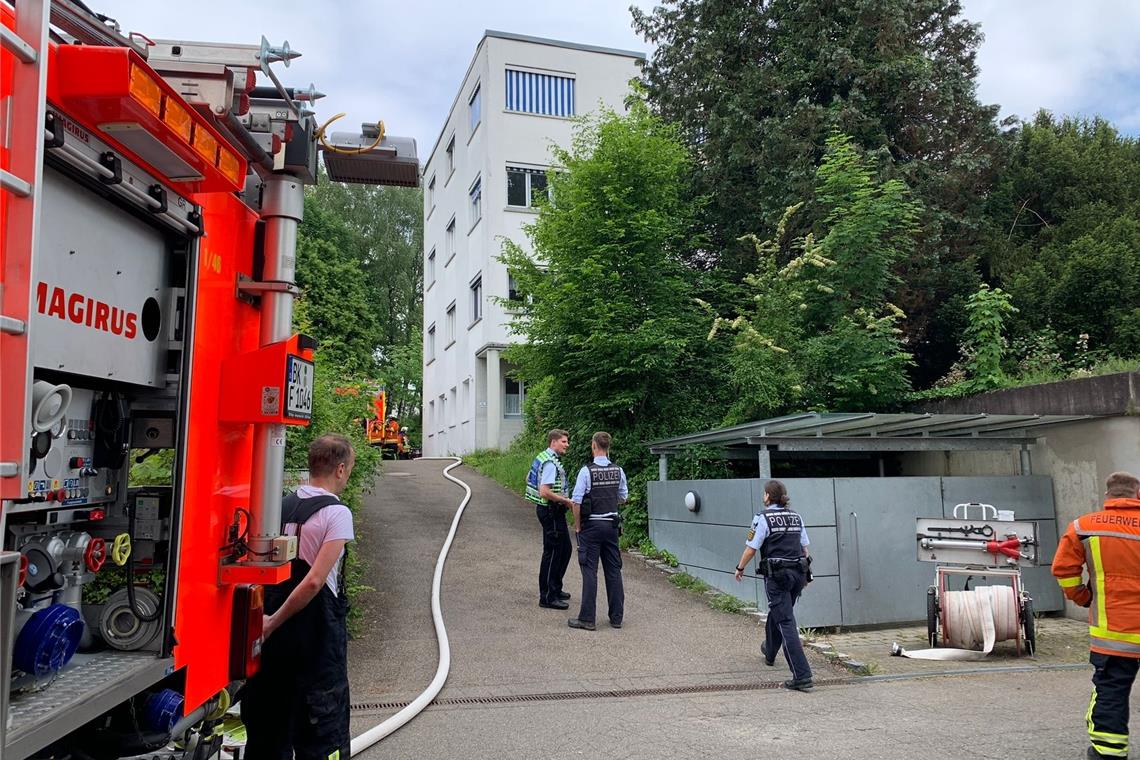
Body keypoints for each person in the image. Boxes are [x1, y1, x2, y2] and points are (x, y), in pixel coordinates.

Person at [241, 433, 356, 759]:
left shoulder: (277, 506)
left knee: (268, 731)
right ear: (341, 469)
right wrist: (274, 622)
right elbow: (313, 581)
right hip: (315, 646)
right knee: (322, 735)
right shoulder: (337, 514)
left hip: (273, 649)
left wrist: (267, 624)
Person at [1052, 471, 1140, 760]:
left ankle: (1109, 753)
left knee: (1112, 692)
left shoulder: (1084, 527)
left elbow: (1064, 571)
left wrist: (1083, 597)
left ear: (1107, 497)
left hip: (1113, 635)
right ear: (1137, 496)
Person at [734, 479, 813, 692]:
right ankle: (770, 651)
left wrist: (740, 568)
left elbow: (752, 548)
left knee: (785, 620)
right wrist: (807, 576)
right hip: (797, 574)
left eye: (764, 494)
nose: (763, 496)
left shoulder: (762, 518)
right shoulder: (796, 516)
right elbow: (804, 548)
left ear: (768, 496)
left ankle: (802, 675)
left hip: (777, 576)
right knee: (779, 611)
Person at [567, 431, 628, 631]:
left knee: (590, 571)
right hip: (611, 526)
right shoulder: (618, 470)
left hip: (591, 526)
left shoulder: (586, 471)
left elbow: (576, 502)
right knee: (613, 570)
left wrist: (578, 526)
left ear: (594, 446)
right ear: (608, 447)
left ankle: (587, 619)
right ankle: (617, 617)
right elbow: (623, 497)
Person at [525, 428, 575, 609]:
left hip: (551, 511)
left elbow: (528, 478)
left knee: (565, 549)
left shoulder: (544, 457)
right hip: (551, 511)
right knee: (553, 552)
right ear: (553, 442)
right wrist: (566, 501)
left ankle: (555, 587)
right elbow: (544, 491)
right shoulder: (550, 463)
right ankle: (547, 596)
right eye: (564, 441)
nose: (567, 445)